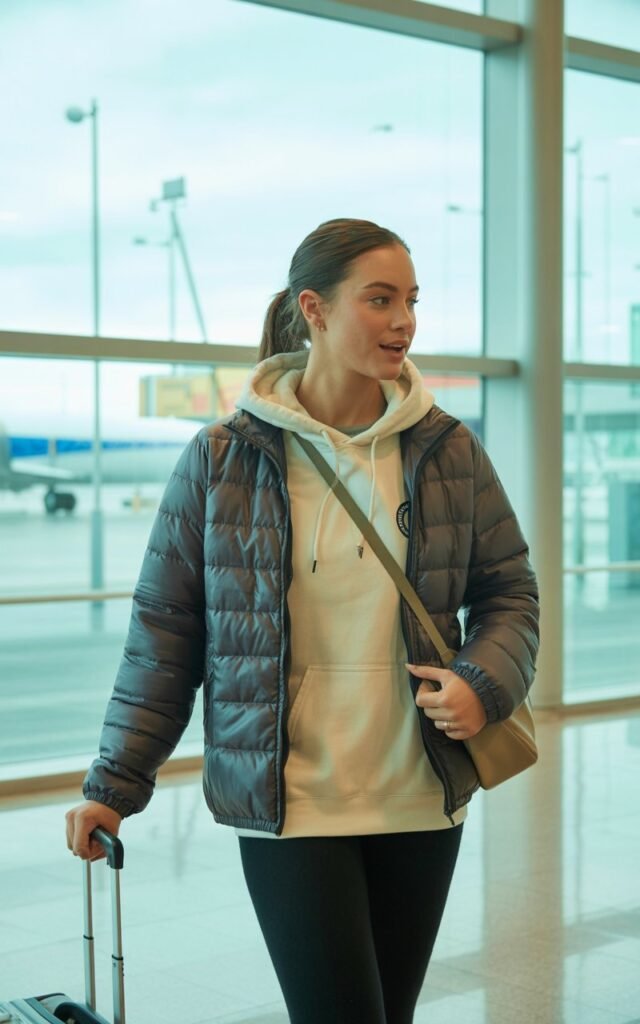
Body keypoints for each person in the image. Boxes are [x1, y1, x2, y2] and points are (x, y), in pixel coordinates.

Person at [66, 217, 539, 1024]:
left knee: (391, 1012)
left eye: (412, 301)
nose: (404, 322)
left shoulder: (448, 450)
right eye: (380, 300)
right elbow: (164, 639)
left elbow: (509, 593)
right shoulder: (222, 459)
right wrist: (114, 785)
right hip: (292, 800)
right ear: (314, 311)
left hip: (420, 792)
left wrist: (481, 683)